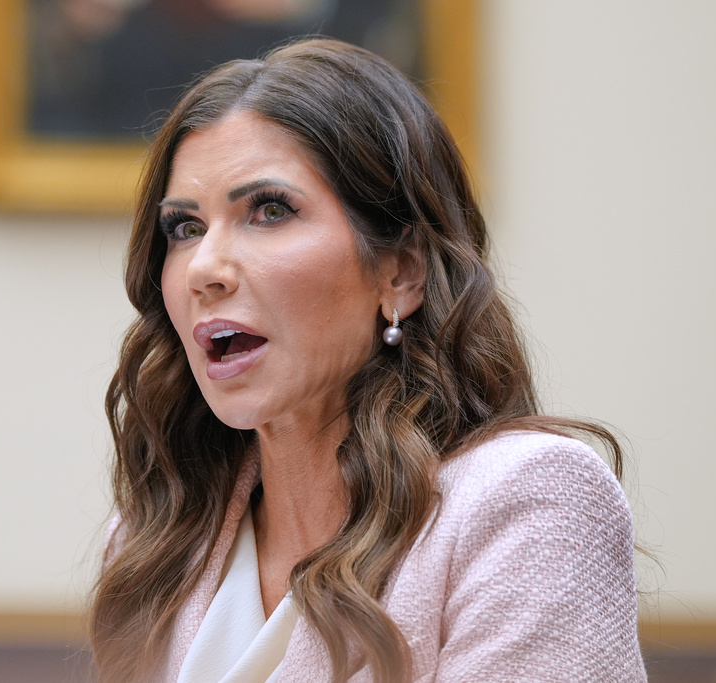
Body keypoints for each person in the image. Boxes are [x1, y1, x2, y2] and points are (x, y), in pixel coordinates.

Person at [89, 38, 647, 682]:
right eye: (184, 228)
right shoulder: (158, 538)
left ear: (401, 273)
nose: (204, 270)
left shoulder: (525, 501)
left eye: (269, 211)